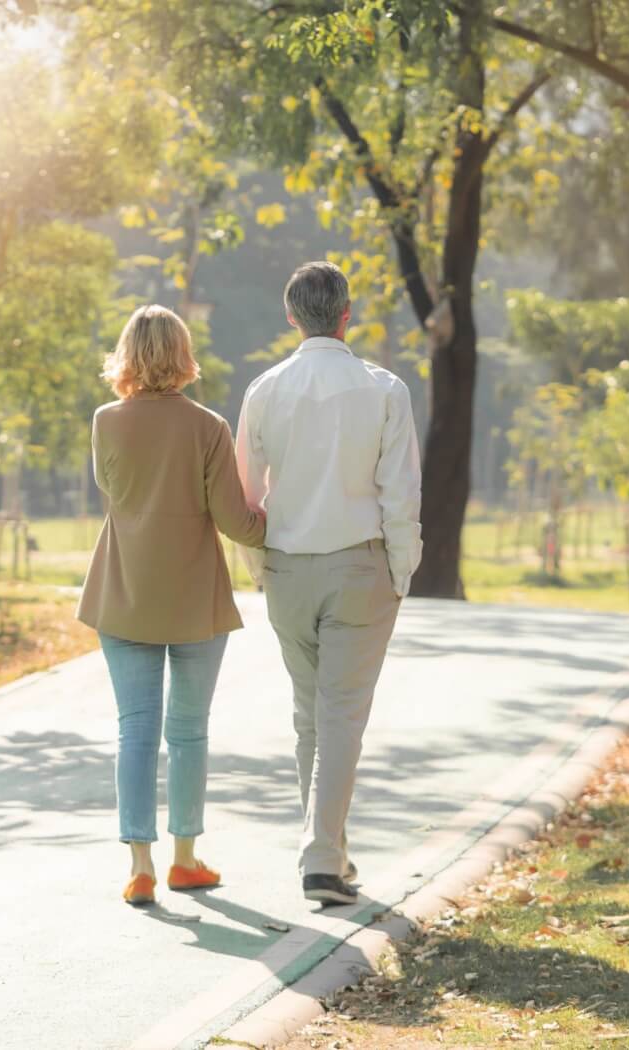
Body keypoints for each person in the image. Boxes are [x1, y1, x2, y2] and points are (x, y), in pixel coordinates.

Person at [235, 262, 422, 906]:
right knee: (340, 715)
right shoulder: (384, 390)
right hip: (359, 565)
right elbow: (401, 494)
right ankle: (320, 859)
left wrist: (261, 567)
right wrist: (402, 569)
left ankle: (331, 854)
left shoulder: (264, 390)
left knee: (310, 715)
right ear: (347, 315)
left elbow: (246, 495)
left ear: (292, 317)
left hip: (288, 567)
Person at [78, 304, 267, 906]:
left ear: (127, 354)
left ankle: (139, 866)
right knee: (188, 732)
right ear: (183, 353)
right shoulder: (210, 427)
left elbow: (113, 493)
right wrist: (285, 521)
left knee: (135, 732)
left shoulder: (107, 420)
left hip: (124, 590)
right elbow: (235, 522)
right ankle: (186, 860)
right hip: (194, 600)